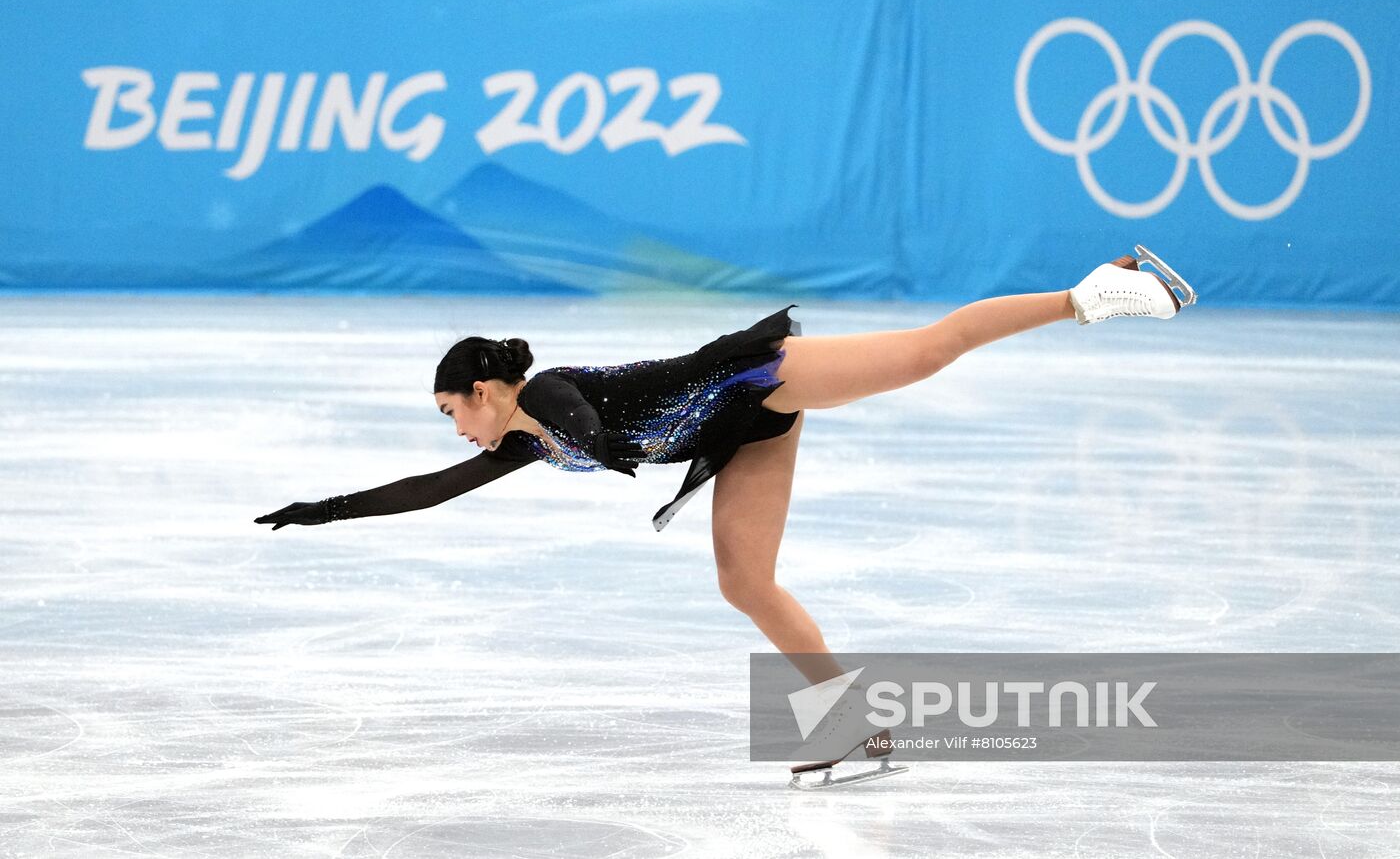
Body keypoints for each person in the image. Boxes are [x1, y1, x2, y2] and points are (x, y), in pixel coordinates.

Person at [256, 246, 1194, 770]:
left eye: (452, 409)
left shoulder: (545, 402)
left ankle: (1096, 291)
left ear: (487, 387)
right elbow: (433, 489)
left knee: (921, 352)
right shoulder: (515, 437)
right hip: (738, 432)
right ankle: (853, 720)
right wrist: (323, 511)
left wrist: (595, 445)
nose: (453, 430)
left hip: (756, 378)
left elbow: (581, 412)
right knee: (745, 580)